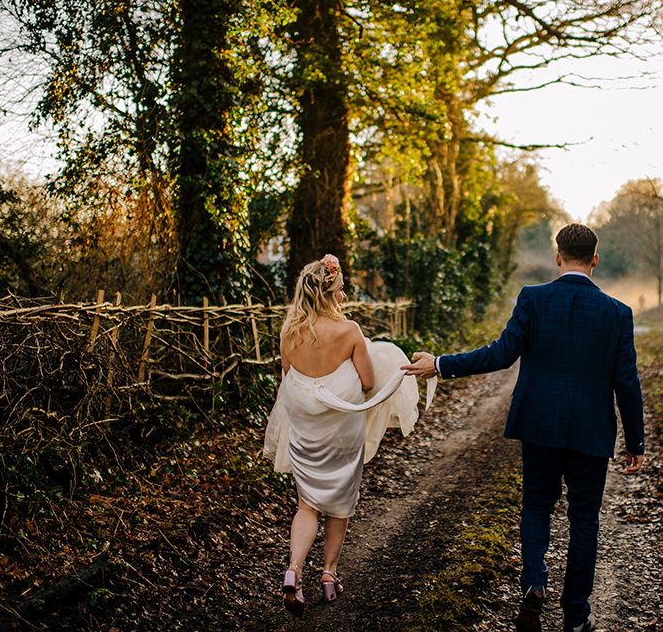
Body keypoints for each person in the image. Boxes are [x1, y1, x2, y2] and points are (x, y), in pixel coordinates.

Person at [402, 223, 645, 632]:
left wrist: (441, 364)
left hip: (540, 426)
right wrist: (635, 440)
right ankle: (576, 618)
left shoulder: (533, 299)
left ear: (558, 257)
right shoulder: (618, 314)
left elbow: (500, 355)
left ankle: (534, 581)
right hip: (590, 432)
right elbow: (628, 381)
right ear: (595, 261)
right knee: (585, 520)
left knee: (536, 506)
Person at [263, 254, 421, 618]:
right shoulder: (349, 331)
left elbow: (290, 381)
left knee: (307, 505)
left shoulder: (289, 333)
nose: (345, 294)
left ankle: (294, 570)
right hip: (341, 432)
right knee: (340, 505)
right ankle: (329, 575)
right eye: (341, 288)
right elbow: (367, 383)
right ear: (332, 293)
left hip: (306, 432)